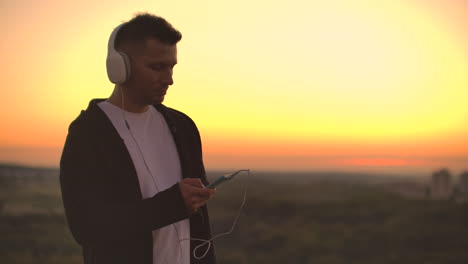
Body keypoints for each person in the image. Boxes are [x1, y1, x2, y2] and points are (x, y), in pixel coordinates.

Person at [60, 13, 217, 264]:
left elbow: (200, 225)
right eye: (157, 67)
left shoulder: (183, 127)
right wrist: (172, 204)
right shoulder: (89, 133)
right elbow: (86, 227)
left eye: (171, 67)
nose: (169, 79)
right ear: (120, 67)